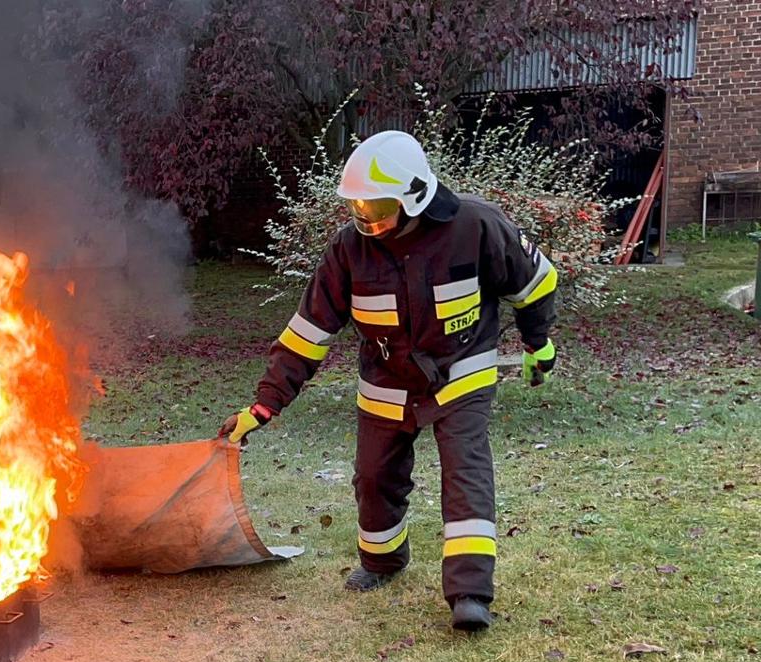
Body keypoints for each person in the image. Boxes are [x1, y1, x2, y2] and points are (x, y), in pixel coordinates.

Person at [220, 131, 558, 631]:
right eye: (358, 205)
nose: (366, 217)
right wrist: (264, 405)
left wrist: (537, 343)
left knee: (465, 473)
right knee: (374, 476)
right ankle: (382, 560)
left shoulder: (477, 226)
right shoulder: (347, 252)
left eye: (377, 205)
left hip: (459, 373)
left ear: (414, 195)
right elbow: (308, 333)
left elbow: (536, 283)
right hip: (385, 380)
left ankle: (469, 592)